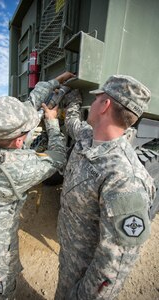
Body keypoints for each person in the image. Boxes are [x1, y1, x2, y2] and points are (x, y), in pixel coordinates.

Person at [0, 71, 74, 300]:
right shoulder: (16, 167)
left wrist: (55, 81)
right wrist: (52, 123)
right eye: (23, 133)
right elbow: (58, 157)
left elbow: (30, 104)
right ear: (18, 140)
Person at [55, 75, 156, 299]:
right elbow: (72, 123)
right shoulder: (88, 136)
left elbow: (114, 264)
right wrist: (69, 95)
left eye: (97, 97)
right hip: (69, 254)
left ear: (105, 105)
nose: (92, 103)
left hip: (85, 274)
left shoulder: (125, 178)